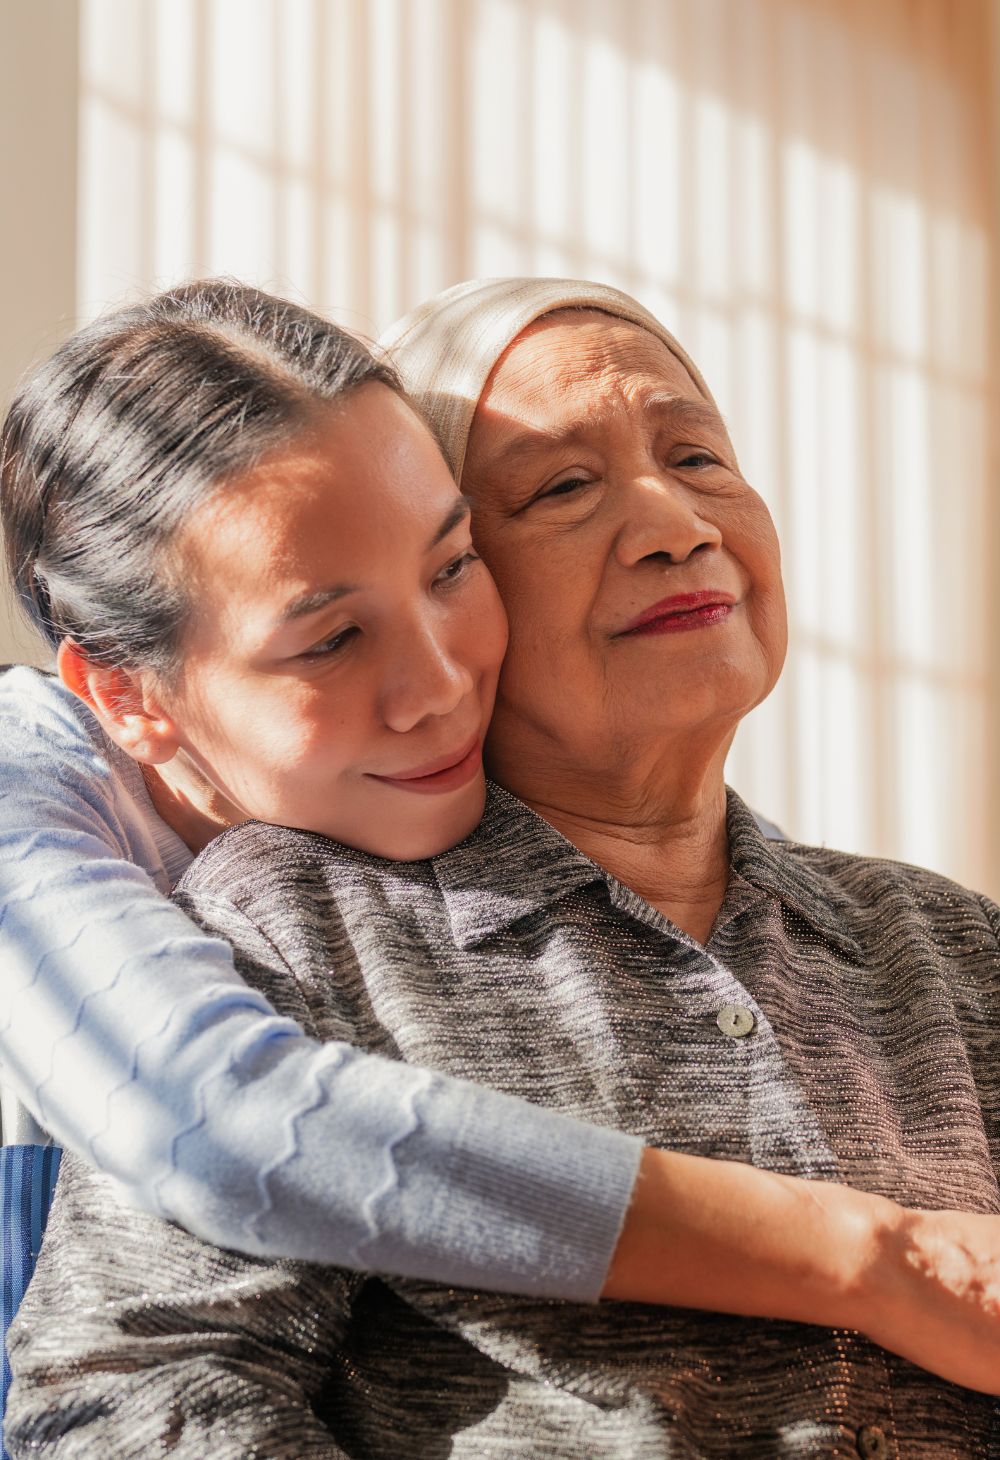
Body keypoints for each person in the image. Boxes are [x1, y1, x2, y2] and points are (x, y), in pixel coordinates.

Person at [5, 279, 1000, 1458]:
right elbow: (144, 1352)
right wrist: (874, 1257)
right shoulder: (269, 916)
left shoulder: (946, 941)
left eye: (698, 454)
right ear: (127, 697)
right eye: (563, 485)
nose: (676, 523)